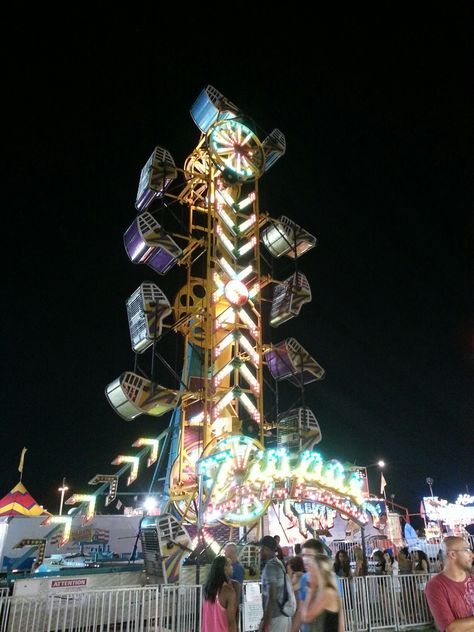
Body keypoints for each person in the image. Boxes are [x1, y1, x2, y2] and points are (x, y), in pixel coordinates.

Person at [425, 536, 474, 631]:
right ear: (452, 554)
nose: (472, 555)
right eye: (467, 550)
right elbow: (451, 629)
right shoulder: (435, 586)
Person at [291, 538, 332, 632]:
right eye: (304, 555)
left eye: (309, 555)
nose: (305, 559)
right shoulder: (304, 579)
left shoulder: (332, 579)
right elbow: (301, 609)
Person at [301, 549, 344, 632]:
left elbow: (306, 616)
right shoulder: (324, 590)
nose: (309, 573)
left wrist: (311, 590)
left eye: (312, 570)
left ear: (319, 572)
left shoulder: (327, 592)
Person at [259, 535, 291, 632]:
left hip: (276, 617)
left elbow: (272, 597)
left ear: (266, 549)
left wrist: (265, 622)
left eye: (261, 549)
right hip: (283, 615)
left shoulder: (270, 567)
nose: (260, 552)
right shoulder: (278, 563)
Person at [202, 555, 237, 632]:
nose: (232, 567)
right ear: (224, 568)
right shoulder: (228, 591)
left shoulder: (208, 590)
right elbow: (231, 623)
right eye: (230, 565)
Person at [225, 543, 244, 628]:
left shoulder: (238, 568)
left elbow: (237, 588)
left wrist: (235, 606)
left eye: (226, 550)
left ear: (231, 552)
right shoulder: (230, 566)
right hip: (229, 604)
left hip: (233, 604)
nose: (224, 552)